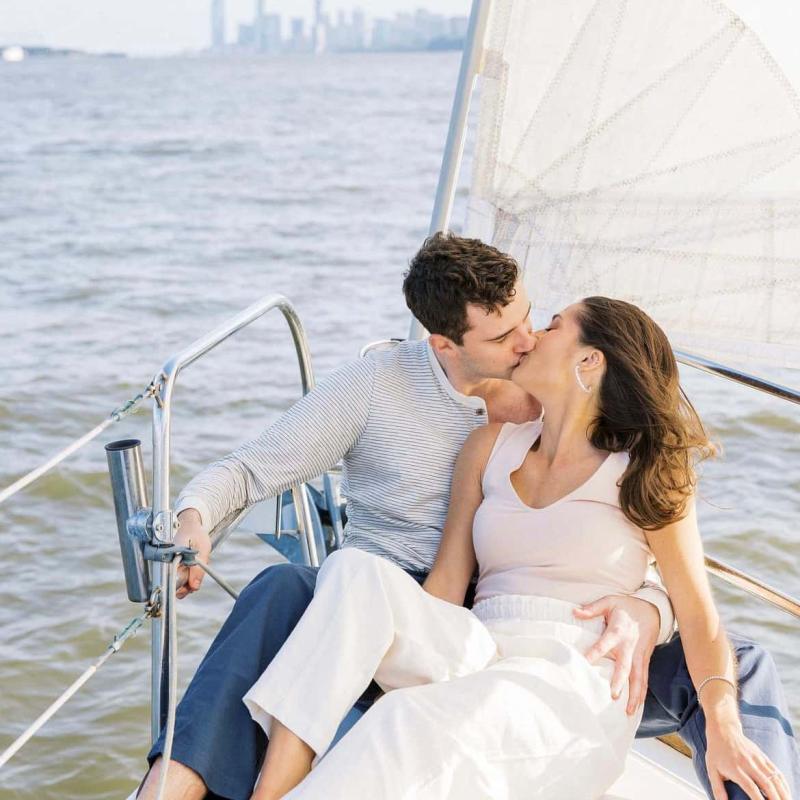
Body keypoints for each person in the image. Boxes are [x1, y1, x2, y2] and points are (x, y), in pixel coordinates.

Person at [135, 234, 798, 800]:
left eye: (539, 322)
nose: (528, 339)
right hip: (453, 623)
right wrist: (197, 515)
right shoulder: (448, 422)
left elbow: (683, 593)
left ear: (588, 361)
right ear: (447, 343)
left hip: (567, 654)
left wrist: (654, 613)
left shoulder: (612, 446)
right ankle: (222, 785)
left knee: (742, 664)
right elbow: (439, 582)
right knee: (331, 577)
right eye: (507, 335)